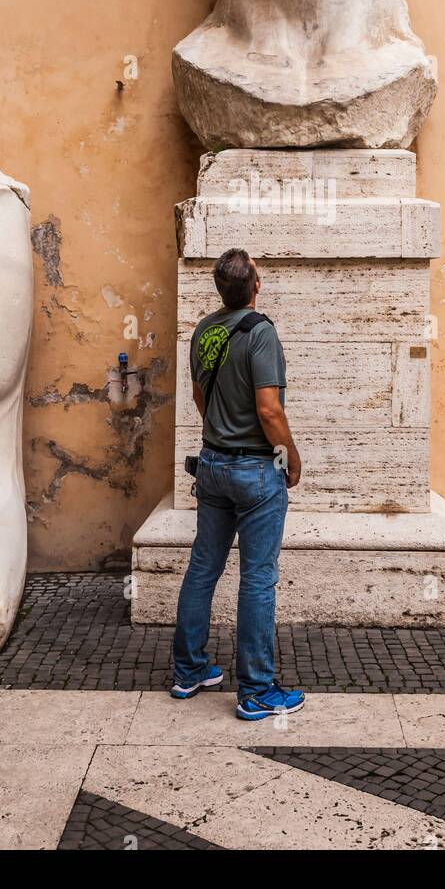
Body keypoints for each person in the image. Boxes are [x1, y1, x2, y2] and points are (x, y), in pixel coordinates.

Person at [171, 247, 306, 720]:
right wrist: (291, 454)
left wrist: (220, 431)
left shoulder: (205, 330)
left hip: (211, 465)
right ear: (255, 285)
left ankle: (189, 672)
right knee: (258, 579)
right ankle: (256, 691)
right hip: (253, 471)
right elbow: (269, 408)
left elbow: (198, 393)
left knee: (203, 568)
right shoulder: (261, 332)